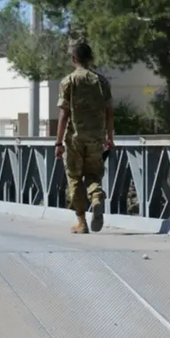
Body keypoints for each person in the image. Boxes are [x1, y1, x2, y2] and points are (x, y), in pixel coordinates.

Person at [54, 42, 114, 234]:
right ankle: (96, 196)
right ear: (91, 59)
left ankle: (81, 222)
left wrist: (58, 142)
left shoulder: (68, 81)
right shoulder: (102, 82)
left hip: (75, 138)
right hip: (96, 137)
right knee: (93, 174)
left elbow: (64, 114)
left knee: (74, 177)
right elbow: (109, 112)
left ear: (74, 59)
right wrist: (109, 137)